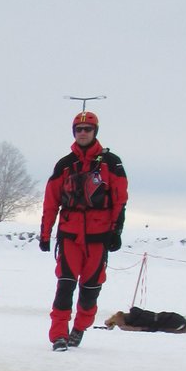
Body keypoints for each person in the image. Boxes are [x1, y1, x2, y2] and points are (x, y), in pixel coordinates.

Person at [39, 109, 128, 351]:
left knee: (90, 289)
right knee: (65, 285)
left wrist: (115, 231)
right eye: (79, 129)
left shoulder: (112, 163)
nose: (83, 133)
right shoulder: (65, 165)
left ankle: (79, 328)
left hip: (98, 238)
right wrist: (45, 234)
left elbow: (120, 199)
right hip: (70, 235)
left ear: (95, 132)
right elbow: (51, 201)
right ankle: (58, 334)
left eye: (87, 129)